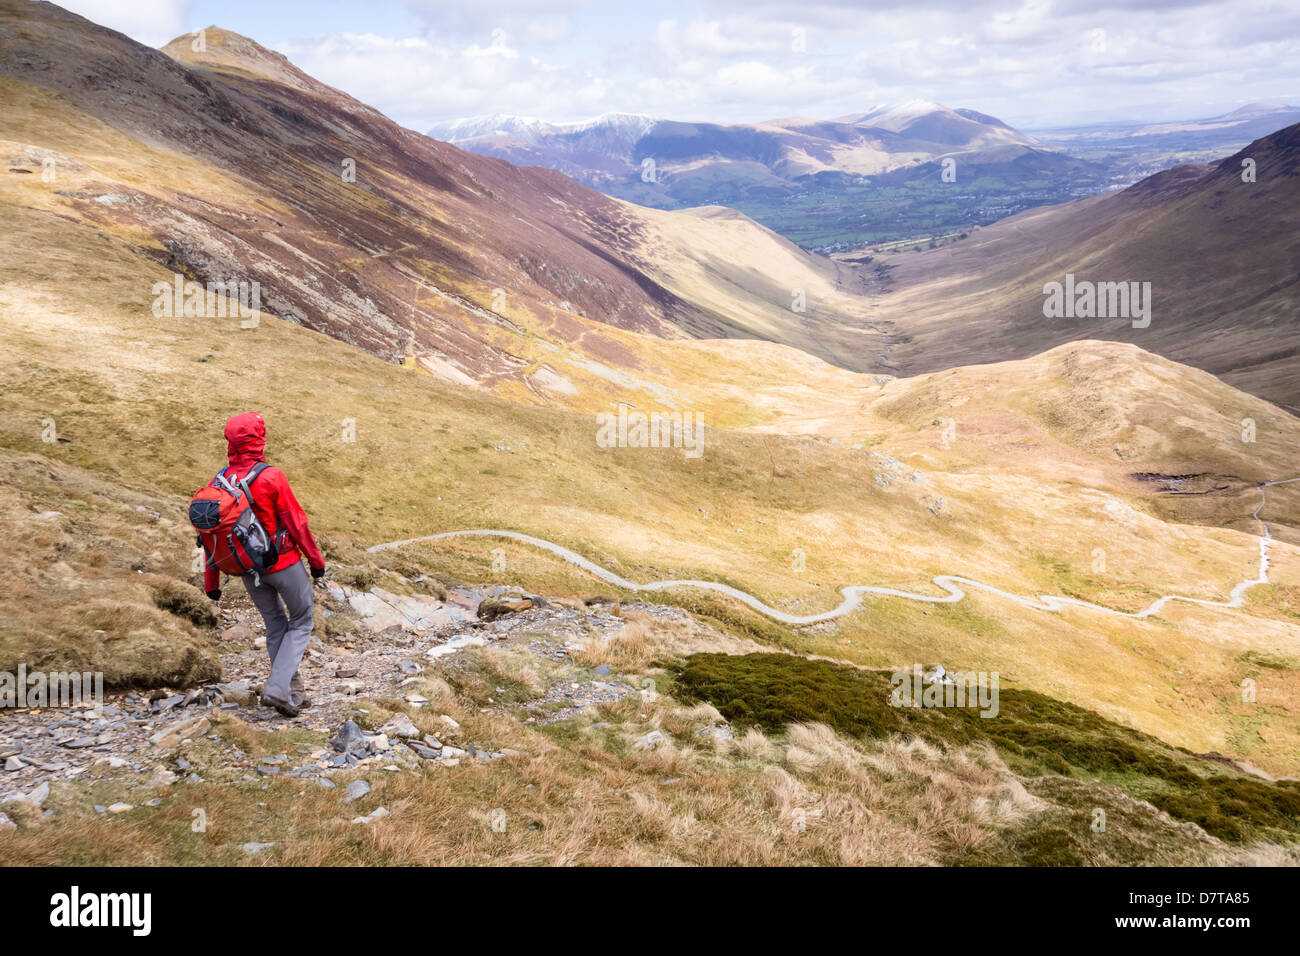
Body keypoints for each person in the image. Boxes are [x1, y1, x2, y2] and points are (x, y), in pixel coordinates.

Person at [202, 412, 326, 717]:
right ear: (259, 439)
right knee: (302, 620)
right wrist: (316, 562)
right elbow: (296, 522)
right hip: (283, 564)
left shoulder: (218, 482)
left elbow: (210, 536)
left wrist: (211, 582)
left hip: (247, 570)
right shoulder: (272, 477)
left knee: (275, 625)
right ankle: (277, 687)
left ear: (230, 442)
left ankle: (291, 691)